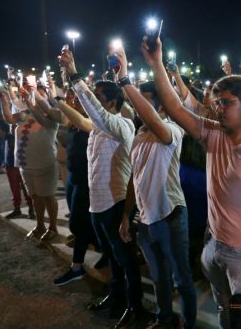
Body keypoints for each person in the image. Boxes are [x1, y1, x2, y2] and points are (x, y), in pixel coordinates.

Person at [142, 36, 241, 329]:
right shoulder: (213, 133)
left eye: (225, 103)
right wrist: (157, 63)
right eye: (216, 102)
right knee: (224, 309)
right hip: (213, 242)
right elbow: (175, 108)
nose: (218, 108)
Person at [59, 48, 143, 329]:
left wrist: (74, 76)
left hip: (115, 203)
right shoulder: (97, 126)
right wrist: (59, 99)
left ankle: (135, 306)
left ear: (110, 102)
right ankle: (116, 297)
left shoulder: (121, 124)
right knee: (113, 259)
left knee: (126, 260)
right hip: (97, 204)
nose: (90, 102)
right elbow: (84, 119)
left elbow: (93, 113)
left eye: (97, 96)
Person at [115, 45, 197, 329]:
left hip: (171, 216)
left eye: (145, 101)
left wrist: (125, 82)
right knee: (159, 278)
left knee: (182, 280)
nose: (139, 106)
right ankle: (164, 320)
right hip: (146, 219)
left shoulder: (173, 128)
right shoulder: (139, 134)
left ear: (160, 105)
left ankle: (188, 324)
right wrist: (127, 215)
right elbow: (134, 178)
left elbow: (151, 118)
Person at [52, 87, 101, 286]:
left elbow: (83, 123)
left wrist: (60, 102)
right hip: (74, 177)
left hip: (88, 180)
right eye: (76, 100)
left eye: (80, 100)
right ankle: (97, 251)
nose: (76, 102)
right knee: (82, 223)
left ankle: (77, 267)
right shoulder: (72, 122)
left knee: (79, 225)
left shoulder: (96, 122)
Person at [0, 82, 60, 241]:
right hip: (25, 165)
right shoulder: (25, 113)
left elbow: (43, 120)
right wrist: (4, 101)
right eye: (32, 93)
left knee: (47, 196)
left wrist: (32, 103)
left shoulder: (51, 118)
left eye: (39, 95)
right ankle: (40, 225)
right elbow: (10, 118)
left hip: (45, 165)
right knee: (35, 196)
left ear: (45, 98)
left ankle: (53, 228)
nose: (33, 96)